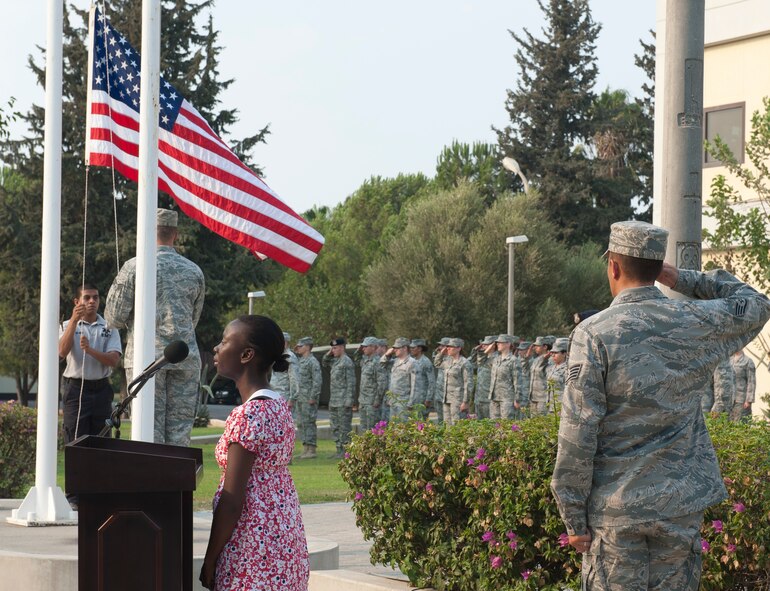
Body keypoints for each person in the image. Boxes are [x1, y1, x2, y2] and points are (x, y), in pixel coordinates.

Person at [551, 220, 770, 591]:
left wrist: (573, 518)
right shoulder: (693, 321)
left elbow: (578, 432)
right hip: (678, 504)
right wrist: (679, 278)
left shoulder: (594, 333)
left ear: (614, 267)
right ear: (658, 268)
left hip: (615, 510)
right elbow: (756, 303)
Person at [200, 315, 309, 591]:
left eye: (224, 341)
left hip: (253, 546)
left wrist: (210, 558)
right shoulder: (278, 405)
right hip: (283, 538)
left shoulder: (248, 415)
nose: (217, 348)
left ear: (247, 354)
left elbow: (233, 500)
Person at [105, 208, 205, 446]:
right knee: (180, 436)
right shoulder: (194, 271)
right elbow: (193, 320)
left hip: (146, 360)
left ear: (147, 233)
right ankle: (177, 484)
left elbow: (113, 318)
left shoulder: (134, 267)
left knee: (147, 434)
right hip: (185, 358)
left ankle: (152, 484)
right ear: (176, 235)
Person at [59, 284, 122, 509]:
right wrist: (73, 323)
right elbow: (61, 352)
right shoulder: (67, 325)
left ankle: (97, 494)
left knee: (100, 442)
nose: (92, 301)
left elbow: (114, 360)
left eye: (95, 297)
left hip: (101, 388)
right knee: (76, 441)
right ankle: (75, 497)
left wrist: (90, 351)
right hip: (76, 389)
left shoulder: (109, 327)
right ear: (77, 302)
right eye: (86, 298)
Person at [323, 337, 356, 459]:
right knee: (335, 427)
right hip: (334, 401)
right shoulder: (335, 361)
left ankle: (346, 452)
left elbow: (351, 382)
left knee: (345, 428)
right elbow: (324, 362)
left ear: (342, 348)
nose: (333, 350)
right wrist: (329, 353)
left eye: (335, 348)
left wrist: (349, 400)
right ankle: (338, 450)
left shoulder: (347, 362)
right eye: (332, 348)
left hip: (343, 401)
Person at [294, 336, 322, 459]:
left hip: (309, 398)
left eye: (301, 346)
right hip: (301, 397)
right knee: (301, 423)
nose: (298, 348)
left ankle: (311, 449)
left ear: (307, 347)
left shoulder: (312, 361)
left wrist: (313, 396)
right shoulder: (300, 361)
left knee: (309, 422)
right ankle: (305, 447)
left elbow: (317, 381)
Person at [434, 338, 472, 425]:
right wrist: (441, 353)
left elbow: (468, 384)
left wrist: (465, 402)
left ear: (459, 348)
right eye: (447, 346)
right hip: (447, 398)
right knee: (448, 425)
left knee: (457, 425)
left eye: (451, 347)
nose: (448, 348)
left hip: (458, 399)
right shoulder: (448, 361)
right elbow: (437, 363)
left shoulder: (464, 363)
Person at [380, 337, 417, 421]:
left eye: (397, 348)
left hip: (404, 403)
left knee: (404, 429)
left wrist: (411, 403)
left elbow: (415, 385)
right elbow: (382, 364)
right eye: (394, 348)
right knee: (394, 430)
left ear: (404, 348)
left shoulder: (412, 363)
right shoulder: (394, 361)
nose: (394, 350)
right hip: (393, 402)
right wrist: (387, 354)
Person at [355, 336, 384, 431]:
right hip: (363, 401)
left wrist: (377, 400)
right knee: (364, 430)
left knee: (373, 430)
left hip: (372, 403)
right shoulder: (365, 360)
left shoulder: (378, 362)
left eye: (365, 346)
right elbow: (356, 359)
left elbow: (382, 383)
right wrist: (359, 350)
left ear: (373, 347)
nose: (363, 348)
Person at [488, 334, 517, 419]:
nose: (498, 344)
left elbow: (517, 381)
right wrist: (490, 347)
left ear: (508, 344)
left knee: (505, 424)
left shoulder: (513, 360)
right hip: (494, 397)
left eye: (501, 342)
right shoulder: (496, 359)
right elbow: (482, 359)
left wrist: (517, 399)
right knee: (494, 424)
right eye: (497, 343)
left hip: (507, 398)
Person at [470, 336, 496, 419]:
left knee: (490, 424)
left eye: (486, 344)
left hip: (488, 399)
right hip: (479, 398)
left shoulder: (496, 358)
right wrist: (475, 350)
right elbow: (471, 361)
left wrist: (484, 351)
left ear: (493, 345)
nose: (483, 346)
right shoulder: (482, 358)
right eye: (482, 344)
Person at [269, 331, 299, 404]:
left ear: (285, 343)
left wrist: (292, 399)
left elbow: (294, 379)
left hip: (284, 396)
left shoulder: (290, 357)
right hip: (273, 395)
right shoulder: (277, 355)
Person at [410, 338, 435, 419]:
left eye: (413, 348)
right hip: (412, 399)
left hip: (422, 400)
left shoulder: (426, 362)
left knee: (420, 424)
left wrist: (428, 399)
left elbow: (431, 382)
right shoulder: (412, 361)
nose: (411, 350)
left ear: (420, 349)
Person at [528, 336, 552, 416]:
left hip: (543, 398)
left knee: (543, 423)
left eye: (537, 346)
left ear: (545, 347)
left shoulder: (550, 360)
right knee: (533, 424)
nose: (535, 348)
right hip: (533, 397)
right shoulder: (536, 360)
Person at [730, 348, 756, 421]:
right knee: (729, 426)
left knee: (740, 423)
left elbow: (751, 382)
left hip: (741, 399)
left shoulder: (748, 361)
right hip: (730, 400)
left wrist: (748, 400)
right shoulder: (729, 360)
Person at [545, 337, 569, 410]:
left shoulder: (568, 369)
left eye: (556, 353)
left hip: (561, 408)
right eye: (552, 353)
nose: (553, 355)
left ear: (564, 353)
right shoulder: (551, 367)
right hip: (551, 407)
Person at [432, 337, 451, 424]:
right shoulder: (440, 358)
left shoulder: (452, 358)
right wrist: (439, 352)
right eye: (440, 345)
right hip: (439, 393)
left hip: (448, 394)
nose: (440, 347)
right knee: (440, 419)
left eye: (442, 345)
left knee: (449, 420)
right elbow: (435, 360)